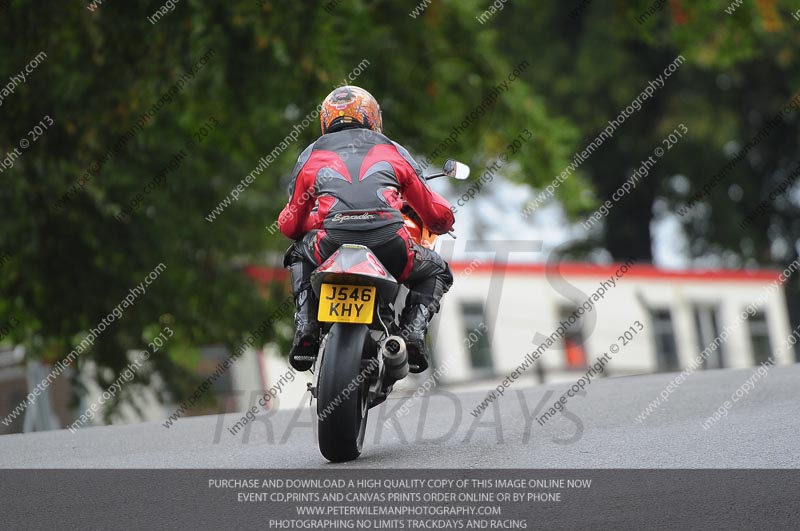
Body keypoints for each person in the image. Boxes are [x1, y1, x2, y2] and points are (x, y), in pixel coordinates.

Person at [278, 85, 455, 374]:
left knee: (298, 253)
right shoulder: (393, 150)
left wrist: (319, 219)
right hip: (390, 244)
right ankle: (413, 332)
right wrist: (445, 220)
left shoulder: (310, 155)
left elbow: (289, 225)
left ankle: (306, 324)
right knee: (437, 270)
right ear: (372, 117)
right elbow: (436, 214)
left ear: (326, 119)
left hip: (331, 242)